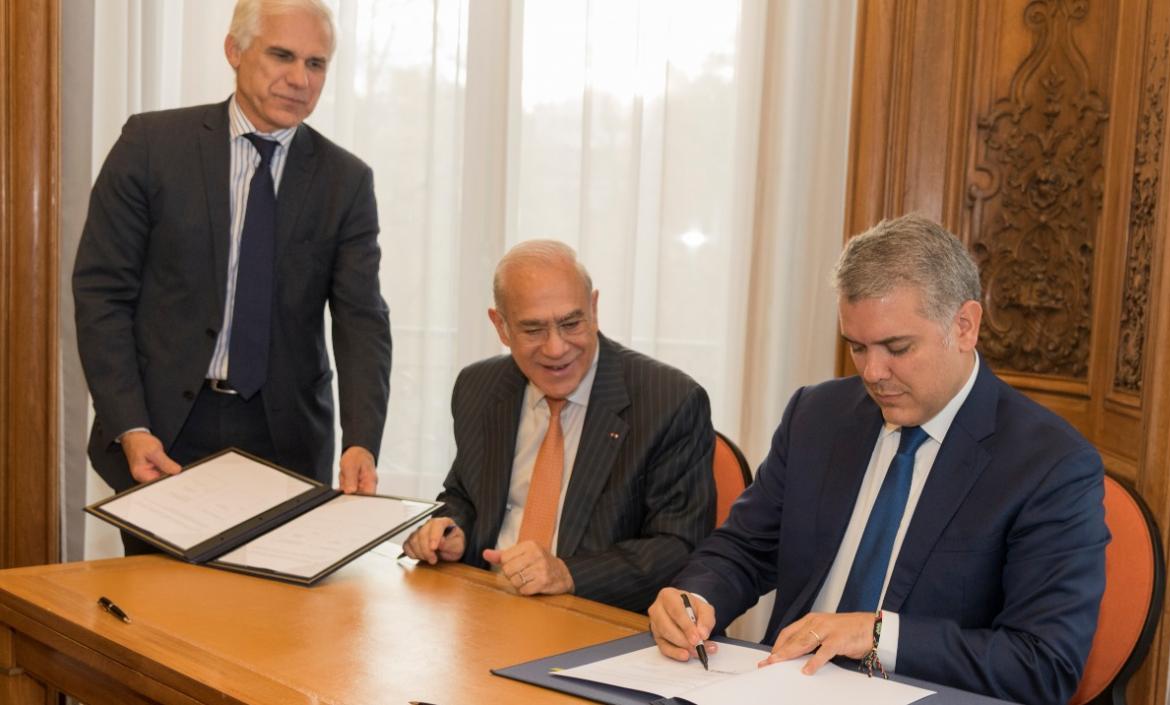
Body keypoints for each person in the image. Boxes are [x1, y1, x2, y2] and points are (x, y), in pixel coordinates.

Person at [647, 214, 1109, 705]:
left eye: (897, 347)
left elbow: (1043, 664)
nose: (872, 372)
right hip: (781, 688)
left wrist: (878, 636)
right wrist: (695, 597)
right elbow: (744, 548)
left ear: (965, 326)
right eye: (857, 346)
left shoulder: (1048, 464)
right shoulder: (817, 415)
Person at [73, 0, 391, 554]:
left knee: (267, 628)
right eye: (282, 56)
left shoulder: (346, 181)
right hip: (163, 431)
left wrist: (361, 440)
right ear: (234, 51)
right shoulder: (151, 146)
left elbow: (361, 321)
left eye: (316, 64)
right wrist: (129, 424)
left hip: (284, 438)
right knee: (159, 616)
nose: (299, 79)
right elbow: (102, 293)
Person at [403, 240, 715, 613]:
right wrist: (451, 530)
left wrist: (568, 573)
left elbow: (679, 546)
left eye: (571, 323)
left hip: (596, 621)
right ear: (501, 326)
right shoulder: (479, 388)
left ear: (594, 309)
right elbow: (464, 496)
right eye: (533, 330)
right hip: (484, 607)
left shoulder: (669, 400)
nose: (556, 349)